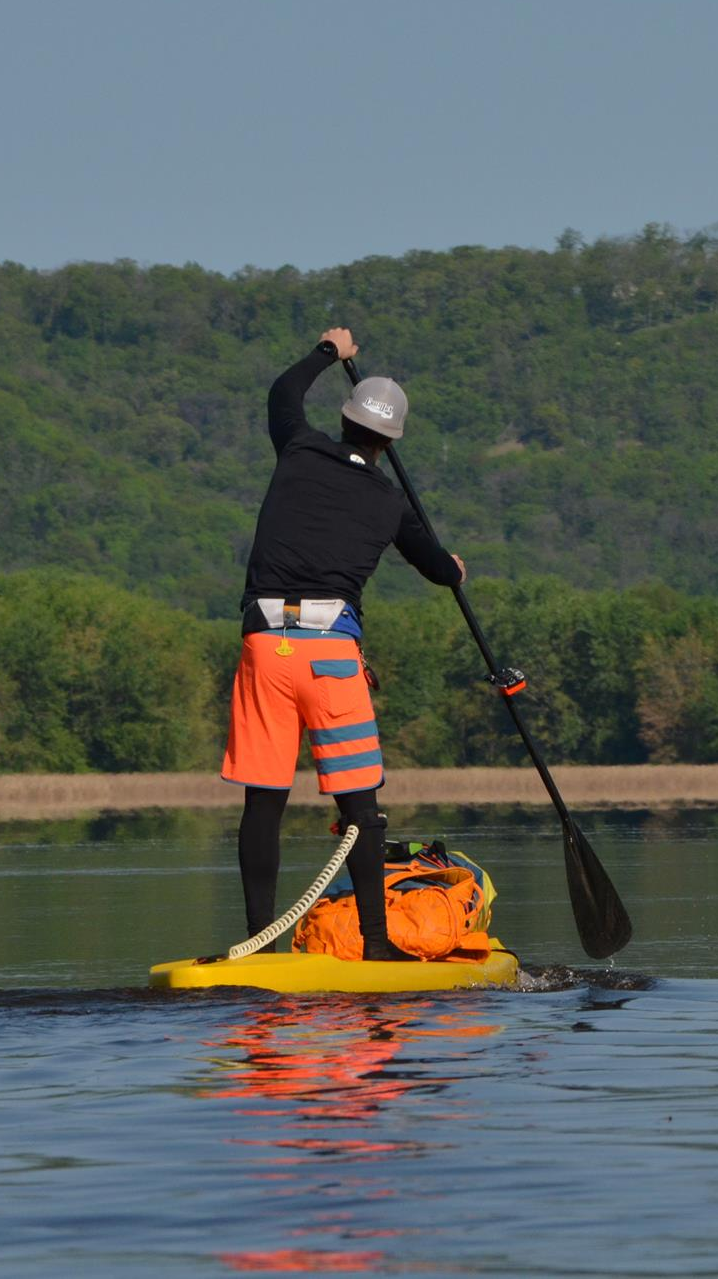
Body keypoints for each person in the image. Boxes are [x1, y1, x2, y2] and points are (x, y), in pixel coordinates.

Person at [221, 326, 463, 961]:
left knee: (263, 804)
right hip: (331, 659)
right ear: (391, 441)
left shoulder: (298, 450)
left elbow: (282, 394)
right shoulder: (390, 502)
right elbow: (436, 567)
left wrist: (331, 353)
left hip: (264, 651)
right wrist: (454, 568)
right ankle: (378, 948)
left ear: (347, 420)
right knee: (361, 806)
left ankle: (259, 949)